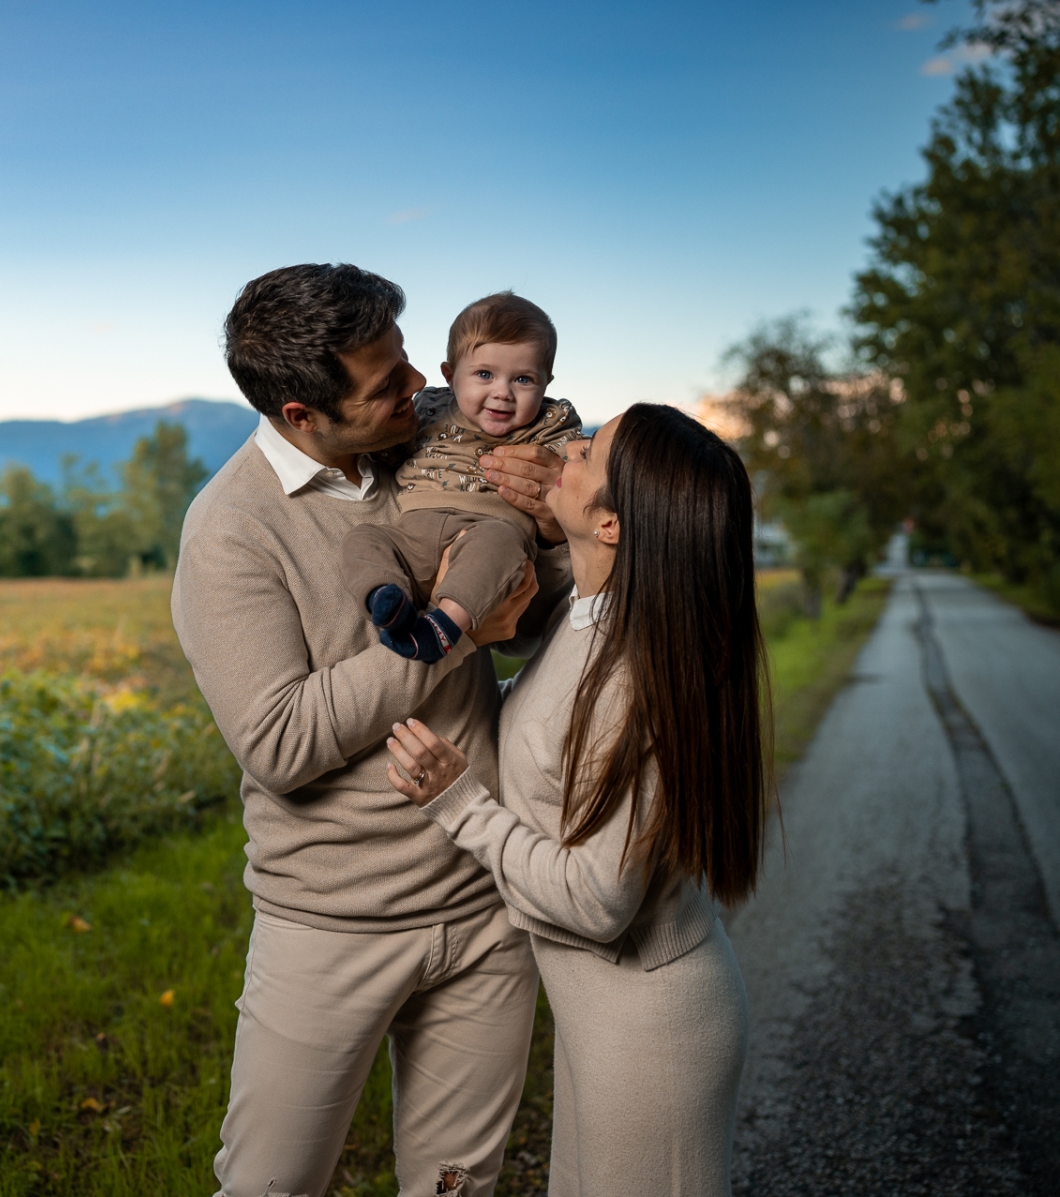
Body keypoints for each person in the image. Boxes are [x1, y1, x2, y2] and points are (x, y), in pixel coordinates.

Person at [172, 263, 572, 1196]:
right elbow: (279, 743)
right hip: (330, 925)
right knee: (271, 1186)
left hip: (484, 904)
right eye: (388, 382)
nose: (420, 386)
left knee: (456, 1189)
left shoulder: (433, 444)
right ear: (303, 414)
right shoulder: (230, 531)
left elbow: (528, 624)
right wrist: (452, 634)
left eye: (408, 359)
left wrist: (549, 532)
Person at [384, 402, 769, 1197]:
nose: (567, 449)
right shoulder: (591, 615)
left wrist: (460, 804)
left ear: (613, 524)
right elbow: (548, 740)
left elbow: (599, 903)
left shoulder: (633, 679)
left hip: (652, 1031)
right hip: (604, 1017)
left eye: (589, 452)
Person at [341, 292, 584, 662]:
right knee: (363, 538)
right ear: (450, 375)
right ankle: (386, 598)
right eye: (484, 374)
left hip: (488, 533)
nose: (502, 393)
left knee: (502, 542)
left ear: (546, 383)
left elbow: (577, 486)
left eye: (523, 379)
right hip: (412, 534)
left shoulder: (552, 424)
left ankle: (441, 627)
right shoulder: (427, 407)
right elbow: (392, 449)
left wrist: (563, 504)